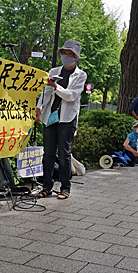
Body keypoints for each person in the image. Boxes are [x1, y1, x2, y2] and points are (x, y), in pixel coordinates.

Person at [35, 40, 87, 200]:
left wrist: (56, 87)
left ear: (76, 58)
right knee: (48, 154)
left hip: (67, 118)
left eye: (71, 54)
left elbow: (71, 96)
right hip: (50, 117)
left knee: (64, 154)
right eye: (64, 53)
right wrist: (39, 107)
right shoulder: (54, 71)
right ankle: (47, 186)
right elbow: (46, 92)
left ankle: (65, 188)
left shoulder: (81, 75)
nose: (67, 56)